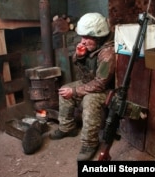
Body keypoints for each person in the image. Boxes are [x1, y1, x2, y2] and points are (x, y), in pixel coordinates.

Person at [49, 12, 116, 161]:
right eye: (82, 37)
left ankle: (90, 143)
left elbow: (100, 84)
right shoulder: (93, 47)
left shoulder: (107, 54)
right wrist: (79, 56)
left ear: (98, 37)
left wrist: (75, 91)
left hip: (107, 89)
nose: (83, 41)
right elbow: (81, 67)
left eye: (87, 37)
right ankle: (67, 127)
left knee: (89, 100)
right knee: (65, 89)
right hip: (91, 82)